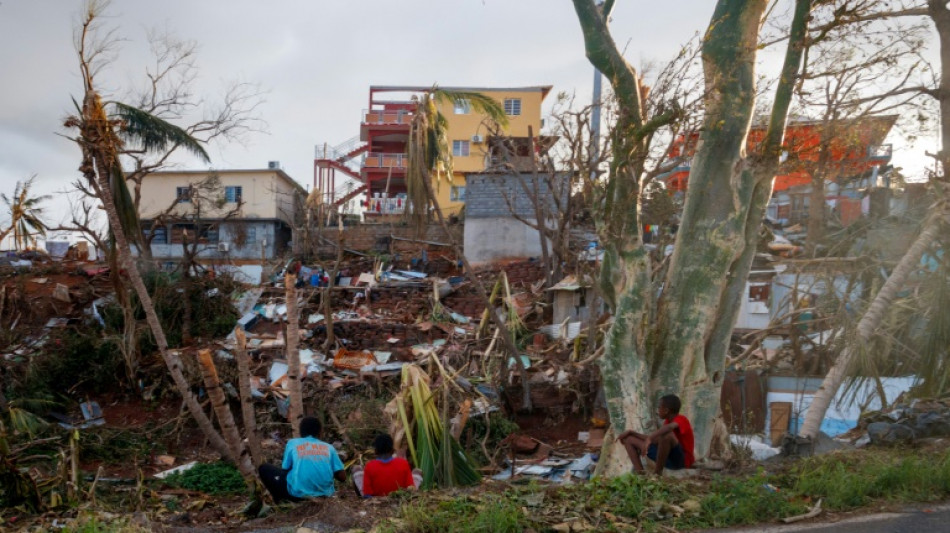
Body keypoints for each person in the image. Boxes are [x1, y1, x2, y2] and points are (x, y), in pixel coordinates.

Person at [258, 417, 345, 502]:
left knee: (264, 468)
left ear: (301, 432)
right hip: (326, 494)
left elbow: (285, 469)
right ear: (320, 432)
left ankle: (279, 500)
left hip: (297, 496)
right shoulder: (329, 448)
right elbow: (342, 477)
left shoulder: (292, 443)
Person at [616, 394, 695, 475]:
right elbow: (656, 440)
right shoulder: (667, 422)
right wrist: (632, 432)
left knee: (667, 435)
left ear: (666, 410)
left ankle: (657, 474)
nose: (658, 410)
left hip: (682, 462)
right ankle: (641, 475)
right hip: (667, 458)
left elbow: (669, 428)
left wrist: (649, 439)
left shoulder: (681, 419)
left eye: (659, 407)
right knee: (629, 439)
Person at [352, 434, 419, 497]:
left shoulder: (370, 466)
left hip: (375, 498)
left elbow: (367, 494)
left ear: (375, 451)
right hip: (401, 497)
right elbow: (410, 488)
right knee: (418, 472)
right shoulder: (403, 463)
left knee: (356, 468)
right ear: (392, 450)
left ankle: (360, 498)